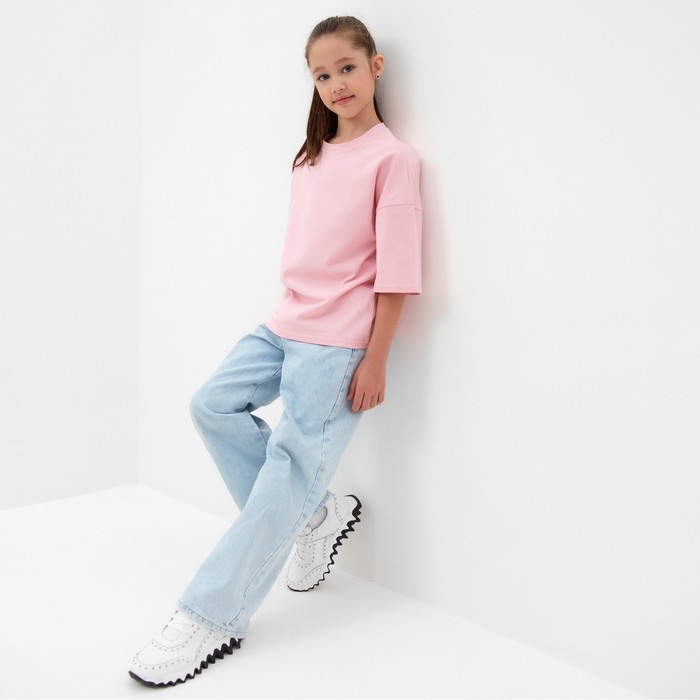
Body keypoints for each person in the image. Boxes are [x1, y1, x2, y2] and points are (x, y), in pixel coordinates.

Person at [128, 14, 422, 687]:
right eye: (322, 75)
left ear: (375, 67)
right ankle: (314, 517)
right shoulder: (309, 157)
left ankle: (210, 616)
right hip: (284, 321)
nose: (336, 83)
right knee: (211, 405)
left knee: (287, 472)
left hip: (338, 342)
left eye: (347, 67)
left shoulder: (393, 159)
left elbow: (398, 271)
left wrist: (376, 356)